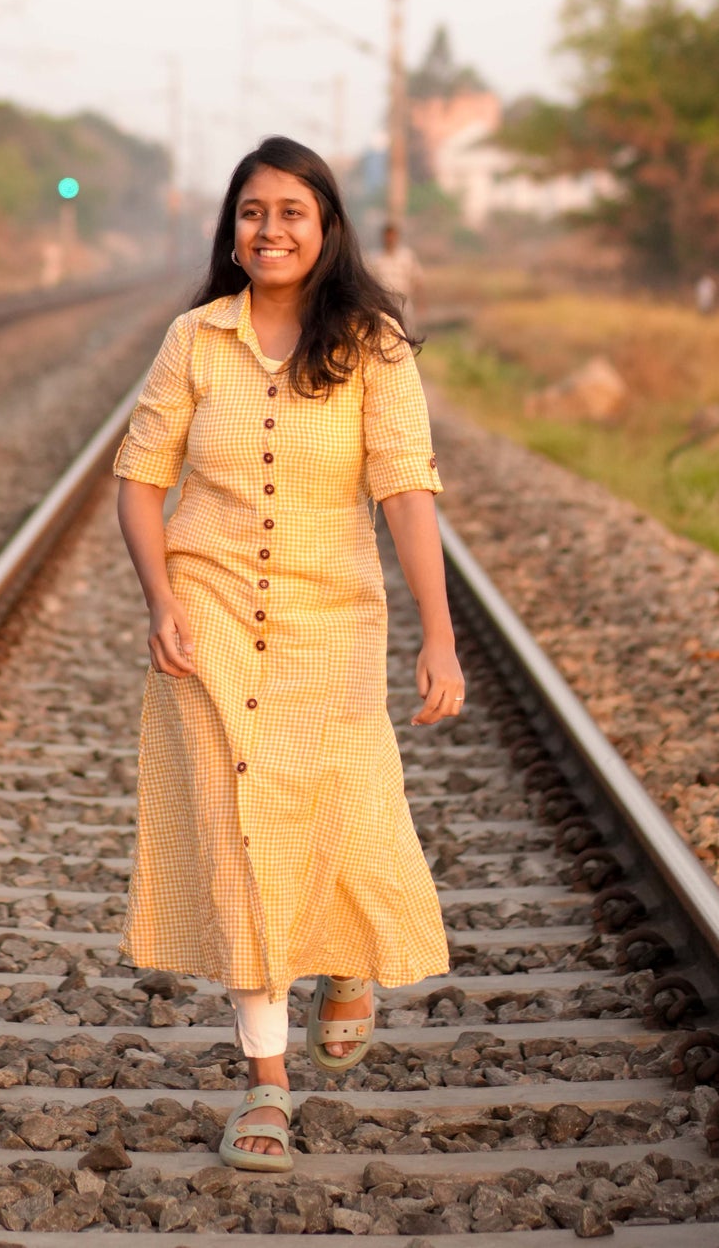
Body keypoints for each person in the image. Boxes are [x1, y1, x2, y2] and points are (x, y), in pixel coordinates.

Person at [114, 134, 463, 1172]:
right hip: (211, 615)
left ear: (325, 230)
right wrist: (161, 598)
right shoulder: (193, 340)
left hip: (332, 624)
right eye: (252, 212)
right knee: (237, 839)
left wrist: (436, 635)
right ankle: (266, 1089)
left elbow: (405, 491)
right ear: (233, 228)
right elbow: (139, 479)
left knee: (343, 813)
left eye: (290, 213)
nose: (268, 230)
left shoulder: (372, 349)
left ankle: (348, 961)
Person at [370, 221, 422, 330]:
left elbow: (417, 280)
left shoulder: (406, 257)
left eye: (392, 236)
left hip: (403, 301)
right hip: (384, 303)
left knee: (407, 333)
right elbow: (370, 284)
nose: (390, 239)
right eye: (387, 236)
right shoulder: (375, 259)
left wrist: (420, 302)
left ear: (397, 237)